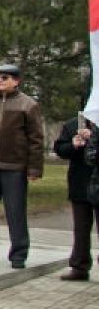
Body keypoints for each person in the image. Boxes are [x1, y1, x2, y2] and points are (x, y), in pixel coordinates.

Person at [0, 63, 44, 269]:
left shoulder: (28, 105)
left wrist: (34, 168)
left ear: (16, 81)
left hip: (15, 167)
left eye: (5, 77)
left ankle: (19, 254)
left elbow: (36, 139)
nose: (0, 81)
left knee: (16, 212)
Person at [57, 117, 98, 280]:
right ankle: (79, 265)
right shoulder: (73, 125)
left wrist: (94, 138)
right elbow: (60, 148)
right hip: (80, 183)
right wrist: (73, 145)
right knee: (81, 228)